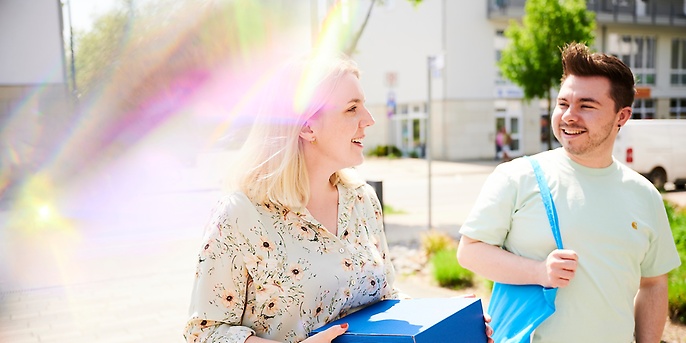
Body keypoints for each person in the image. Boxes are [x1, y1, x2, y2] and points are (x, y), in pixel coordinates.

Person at [183, 52, 492, 343]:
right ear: (306, 126)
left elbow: (384, 300)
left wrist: (445, 318)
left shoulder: (362, 200)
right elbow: (205, 333)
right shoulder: (240, 215)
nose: (369, 119)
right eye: (352, 108)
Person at [457, 42, 681, 342]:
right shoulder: (517, 176)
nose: (569, 116)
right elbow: (470, 251)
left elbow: (653, 284)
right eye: (563, 103)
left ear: (622, 116)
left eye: (586, 106)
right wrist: (539, 272)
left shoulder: (645, 195)